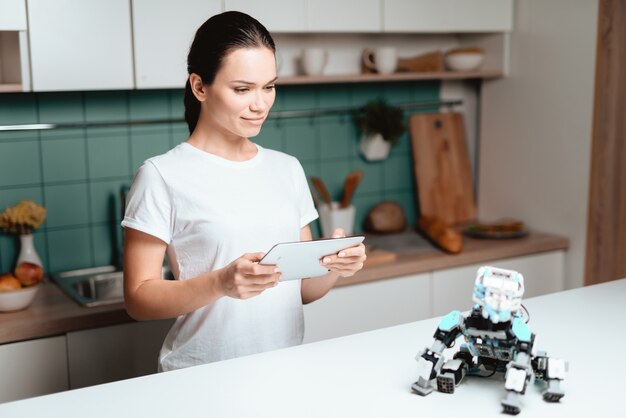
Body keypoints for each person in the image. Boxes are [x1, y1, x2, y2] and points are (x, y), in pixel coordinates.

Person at [121, 11, 366, 372]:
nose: (261, 104)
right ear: (200, 86)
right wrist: (220, 282)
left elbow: (301, 291)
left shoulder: (287, 169)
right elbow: (138, 298)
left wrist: (334, 265)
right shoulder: (161, 175)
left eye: (268, 86)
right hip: (199, 378)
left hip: (283, 372)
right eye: (242, 89)